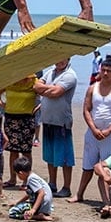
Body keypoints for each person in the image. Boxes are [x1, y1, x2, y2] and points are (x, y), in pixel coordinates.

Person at [69, 59, 111, 203]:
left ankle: (109, 199)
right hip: (92, 134)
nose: (105, 73)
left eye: (109, 71)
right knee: (87, 166)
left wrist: (109, 130)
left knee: (108, 169)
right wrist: (93, 128)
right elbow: (86, 110)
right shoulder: (92, 88)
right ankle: (79, 194)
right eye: (103, 70)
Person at [34, 57, 78, 197]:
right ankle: (52, 183)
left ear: (68, 58)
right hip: (47, 119)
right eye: (58, 58)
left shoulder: (70, 75)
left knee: (65, 157)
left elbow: (56, 93)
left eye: (63, 58)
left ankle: (66, 187)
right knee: (50, 155)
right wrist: (49, 89)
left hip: (61, 121)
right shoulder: (50, 72)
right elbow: (36, 86)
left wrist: (45, 90)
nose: (60, 61)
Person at [0, 74, 38, 188]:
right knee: (13, 151)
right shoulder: (10, 80)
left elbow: (47, 94)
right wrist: (1, 104)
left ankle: (27, 181)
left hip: (27, 119)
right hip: (11, 118)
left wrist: (38, 108)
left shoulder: (34, 82)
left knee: (26, 151)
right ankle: (12, 179)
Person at [10, 156, 54, 221]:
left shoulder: (31, 179)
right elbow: (29, 194)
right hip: (45, 205)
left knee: (12, 212)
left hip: (42, 206)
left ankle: (37, 216)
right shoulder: (32, 176)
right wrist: (17, 202)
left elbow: (41, 193)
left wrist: (33, 210)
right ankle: (39, 213)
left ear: (21, 173)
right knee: (20, 206)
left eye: (17, 174)